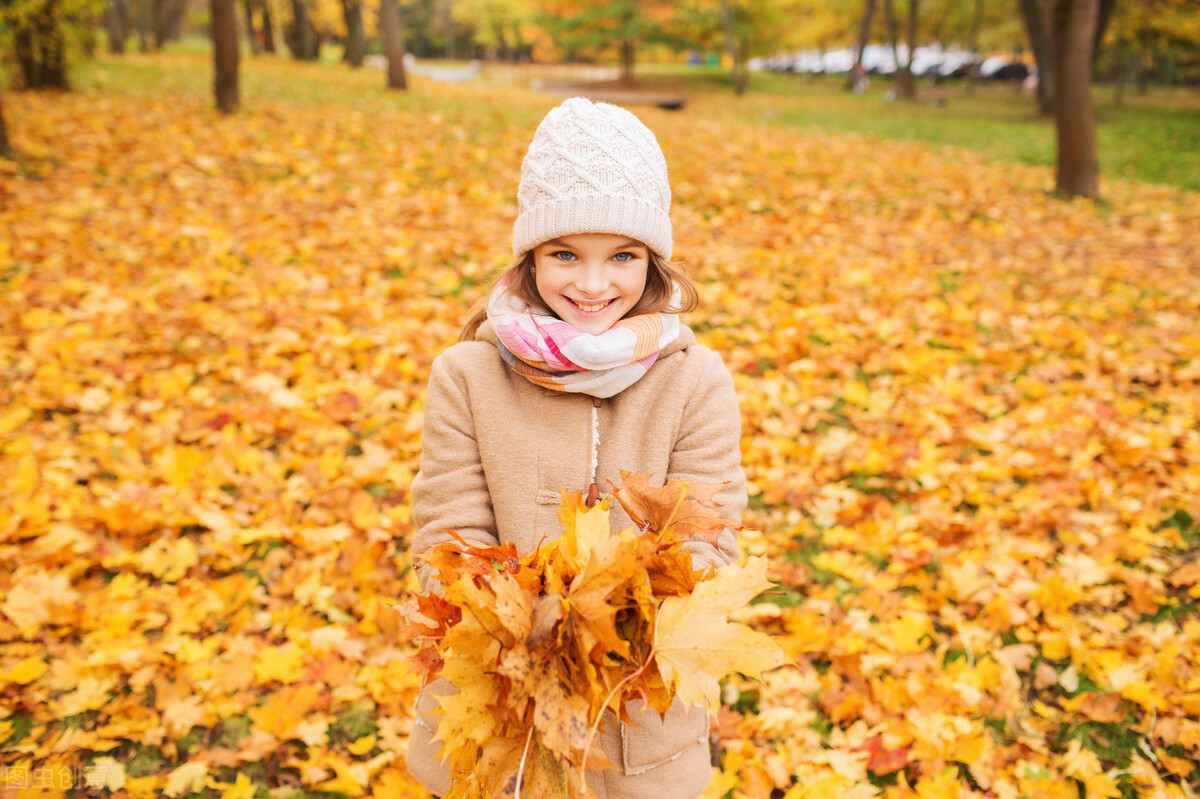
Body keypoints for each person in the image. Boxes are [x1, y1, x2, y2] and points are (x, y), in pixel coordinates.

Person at [405, 97, 747, 798]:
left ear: (652, 260)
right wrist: (515, 619)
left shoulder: (696, 380)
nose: (593, 285)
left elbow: (709, 541)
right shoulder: (467, 375)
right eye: (566, 254)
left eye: (621, 256)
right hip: (500, 721)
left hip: (637, 722)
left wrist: (606, 622)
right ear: (531, 254)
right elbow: (446, 532)